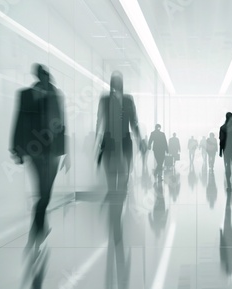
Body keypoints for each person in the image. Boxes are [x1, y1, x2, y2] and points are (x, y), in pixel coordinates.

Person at [10, 64, 70, 289]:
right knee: (42, 191)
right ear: (38, 77)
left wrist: (65, 152)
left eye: (46, 77)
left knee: (46, 193)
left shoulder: (57, 95)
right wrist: (16, 148)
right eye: (41, 77)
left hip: (52, 151)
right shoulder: (25, 95)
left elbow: (63, 123)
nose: (44, 80)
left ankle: (40, 227)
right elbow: (18, 120)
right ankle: (36, 232)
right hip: (35, 150)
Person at [95, 70, 145, 289]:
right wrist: (97, 140)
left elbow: (133, 122)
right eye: (115, 83)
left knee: (123, 184)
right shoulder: (104, 100)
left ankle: (115, 207)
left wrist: (140, 140)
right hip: (108, 146)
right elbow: (100, 120)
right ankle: (114, 212)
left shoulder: (128, 101)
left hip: (124, 145)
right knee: (113, 182)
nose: (117, 86)